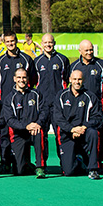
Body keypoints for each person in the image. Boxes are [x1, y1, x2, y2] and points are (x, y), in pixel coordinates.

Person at [0, 31, 36, 173]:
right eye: (7, 42)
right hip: (5, 104)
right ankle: (5, 162)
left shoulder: (26, 59)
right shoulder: (0, 61)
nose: (10, 44)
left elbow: (33, 80)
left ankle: (26, 162)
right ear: (4, 43)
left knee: (23, 132)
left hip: (24, 103)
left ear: (16, 40)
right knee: (5, 134)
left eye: (12, 41)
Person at [53, 70, 103, 179]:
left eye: (79, 79)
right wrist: (72, 129)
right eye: (74, 79)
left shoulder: (90, 96)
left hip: (84, 132)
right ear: (70, 80)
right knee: (69, 172)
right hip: (68, 134)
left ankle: (93, 169)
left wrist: (83, 127)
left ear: (83, 80)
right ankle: (79, 160)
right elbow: (58, 118)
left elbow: (98, 117)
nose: (77, 82)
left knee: (93, 133)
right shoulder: (61, 96)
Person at [69, 40, 103, 168]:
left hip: (96, 108)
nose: (89, 52)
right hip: (77, 108)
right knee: (77, 133)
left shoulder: (101, 65)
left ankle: (98, 161)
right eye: (86, 50)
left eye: (91, 49)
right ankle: (79, 160)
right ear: (80, 51)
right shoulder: (74, 66)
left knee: (97, 135)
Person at [2, 68, 48, 177]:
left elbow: (44, 111)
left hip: (34, 130)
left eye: (24, 77)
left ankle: (40, 167)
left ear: (27, 79)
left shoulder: (36, 94)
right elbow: (10, 120)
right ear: (14, 79)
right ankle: (26, 163)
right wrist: (26, 126)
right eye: (19, 77)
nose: (21, 80)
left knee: (39, 132)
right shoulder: (9, 98)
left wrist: (38, 123)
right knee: (19, 171)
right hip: (19, 134)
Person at [33, 33, 69, 169]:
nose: (48, 45)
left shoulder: (62, 60)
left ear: (54, 43)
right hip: (42, 106)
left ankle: (64, 162)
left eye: (50, 42)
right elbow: (32, 82)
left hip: (58, 105)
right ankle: (42, 165)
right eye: (46, 43)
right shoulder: (36, 62)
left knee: (61, 134)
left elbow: (66, 81)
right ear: (42, 44)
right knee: (42, 135)